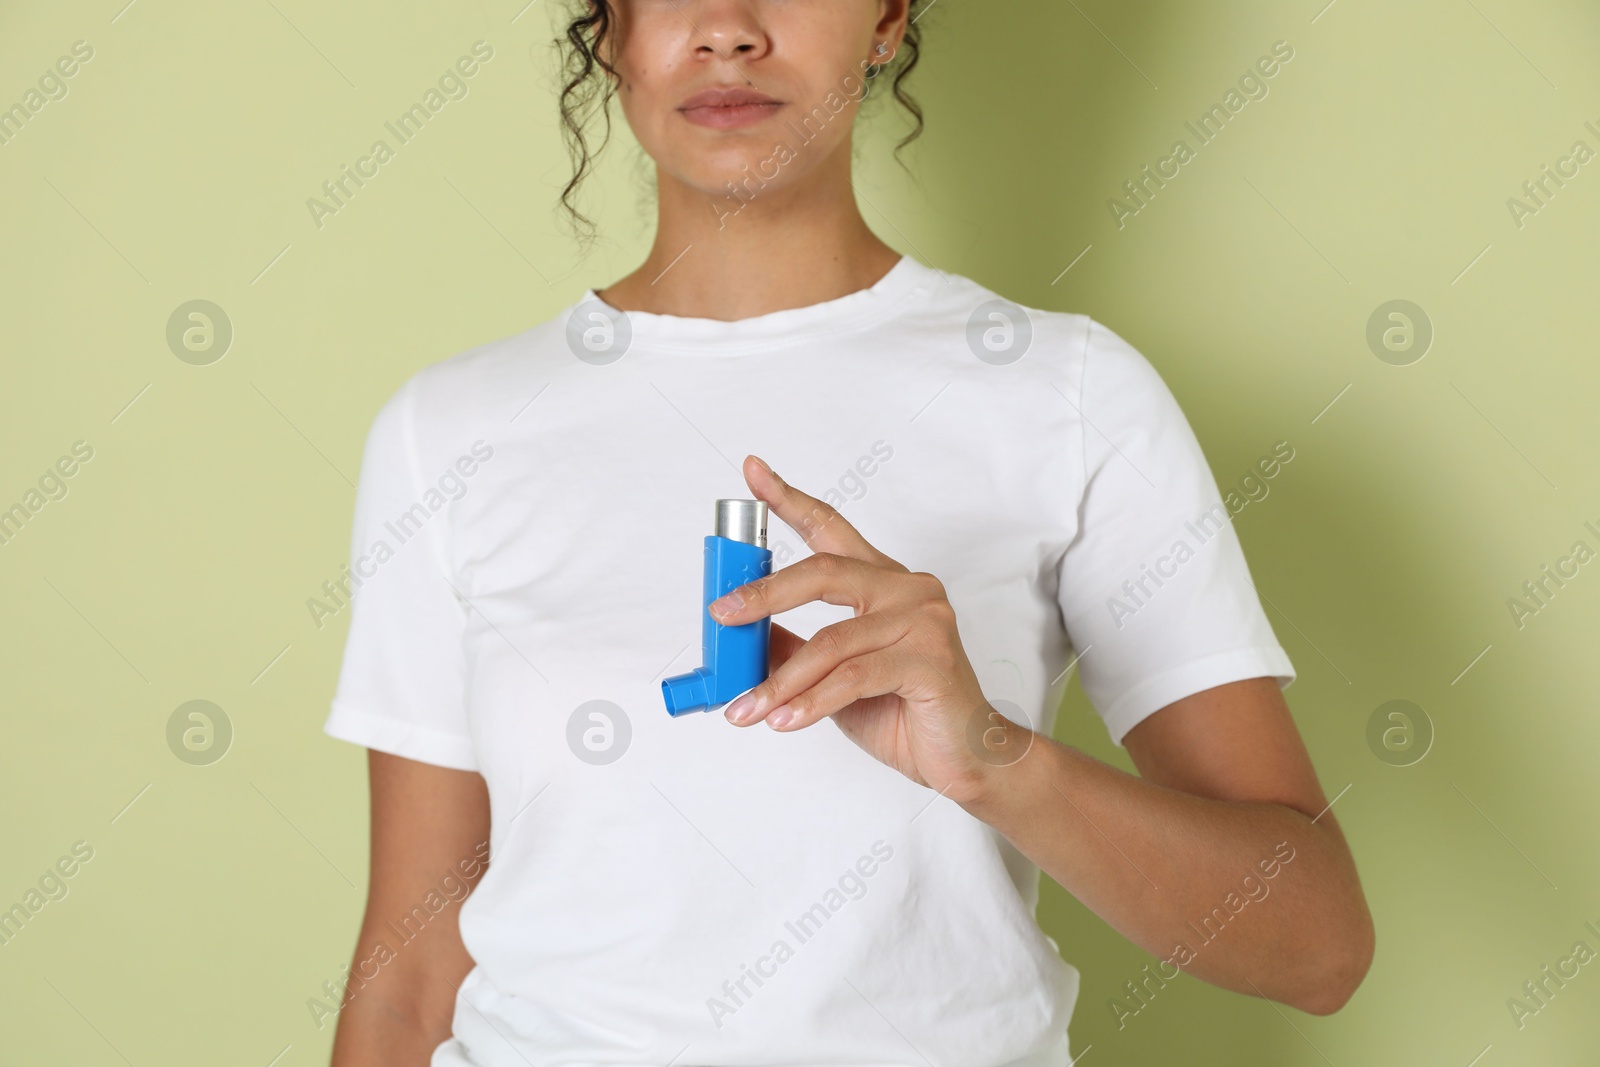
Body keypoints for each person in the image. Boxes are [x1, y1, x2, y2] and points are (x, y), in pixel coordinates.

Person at [323, 2, 1374, 1064]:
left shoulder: (1070, 393)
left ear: (886, 19)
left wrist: (993, 760)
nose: (727, 28)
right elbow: (407, 984)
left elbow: (1315, 947)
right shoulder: (448, 429)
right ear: (610, 31)